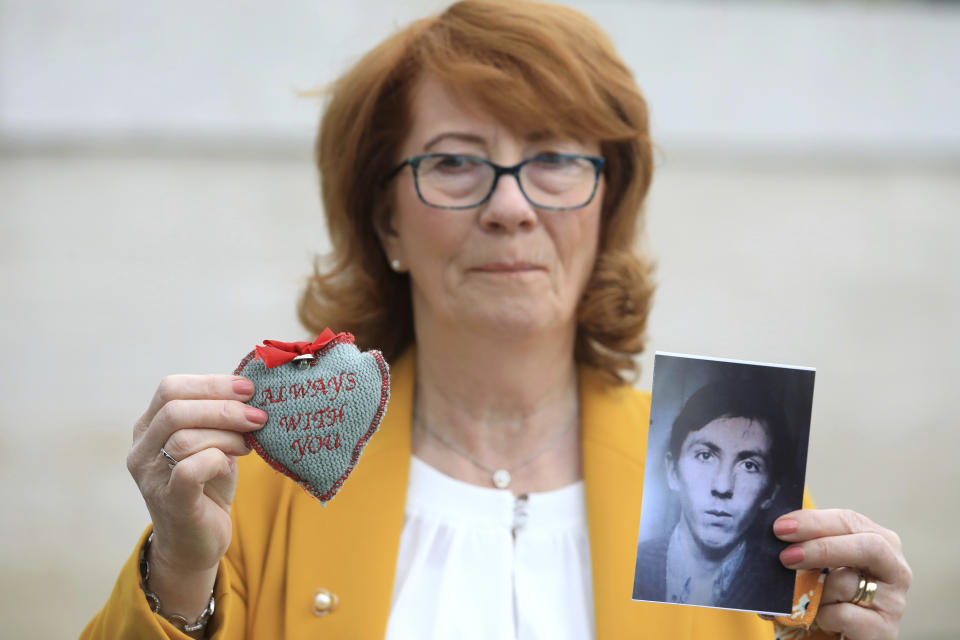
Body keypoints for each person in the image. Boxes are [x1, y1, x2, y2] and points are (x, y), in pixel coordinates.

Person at [82, 1, 911, 638]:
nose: (510, 205)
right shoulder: (253, 496)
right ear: (386, 220)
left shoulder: (742, 504)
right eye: (453, 161)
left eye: (553, 158)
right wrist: (180, 579)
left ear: (604, 203)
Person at [632, 379, 797, 613]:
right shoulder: (627, 566)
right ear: (672, 471)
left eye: (749, 465)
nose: (722, 486)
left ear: (771, 491)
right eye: (705, 455)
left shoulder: (784, 591)